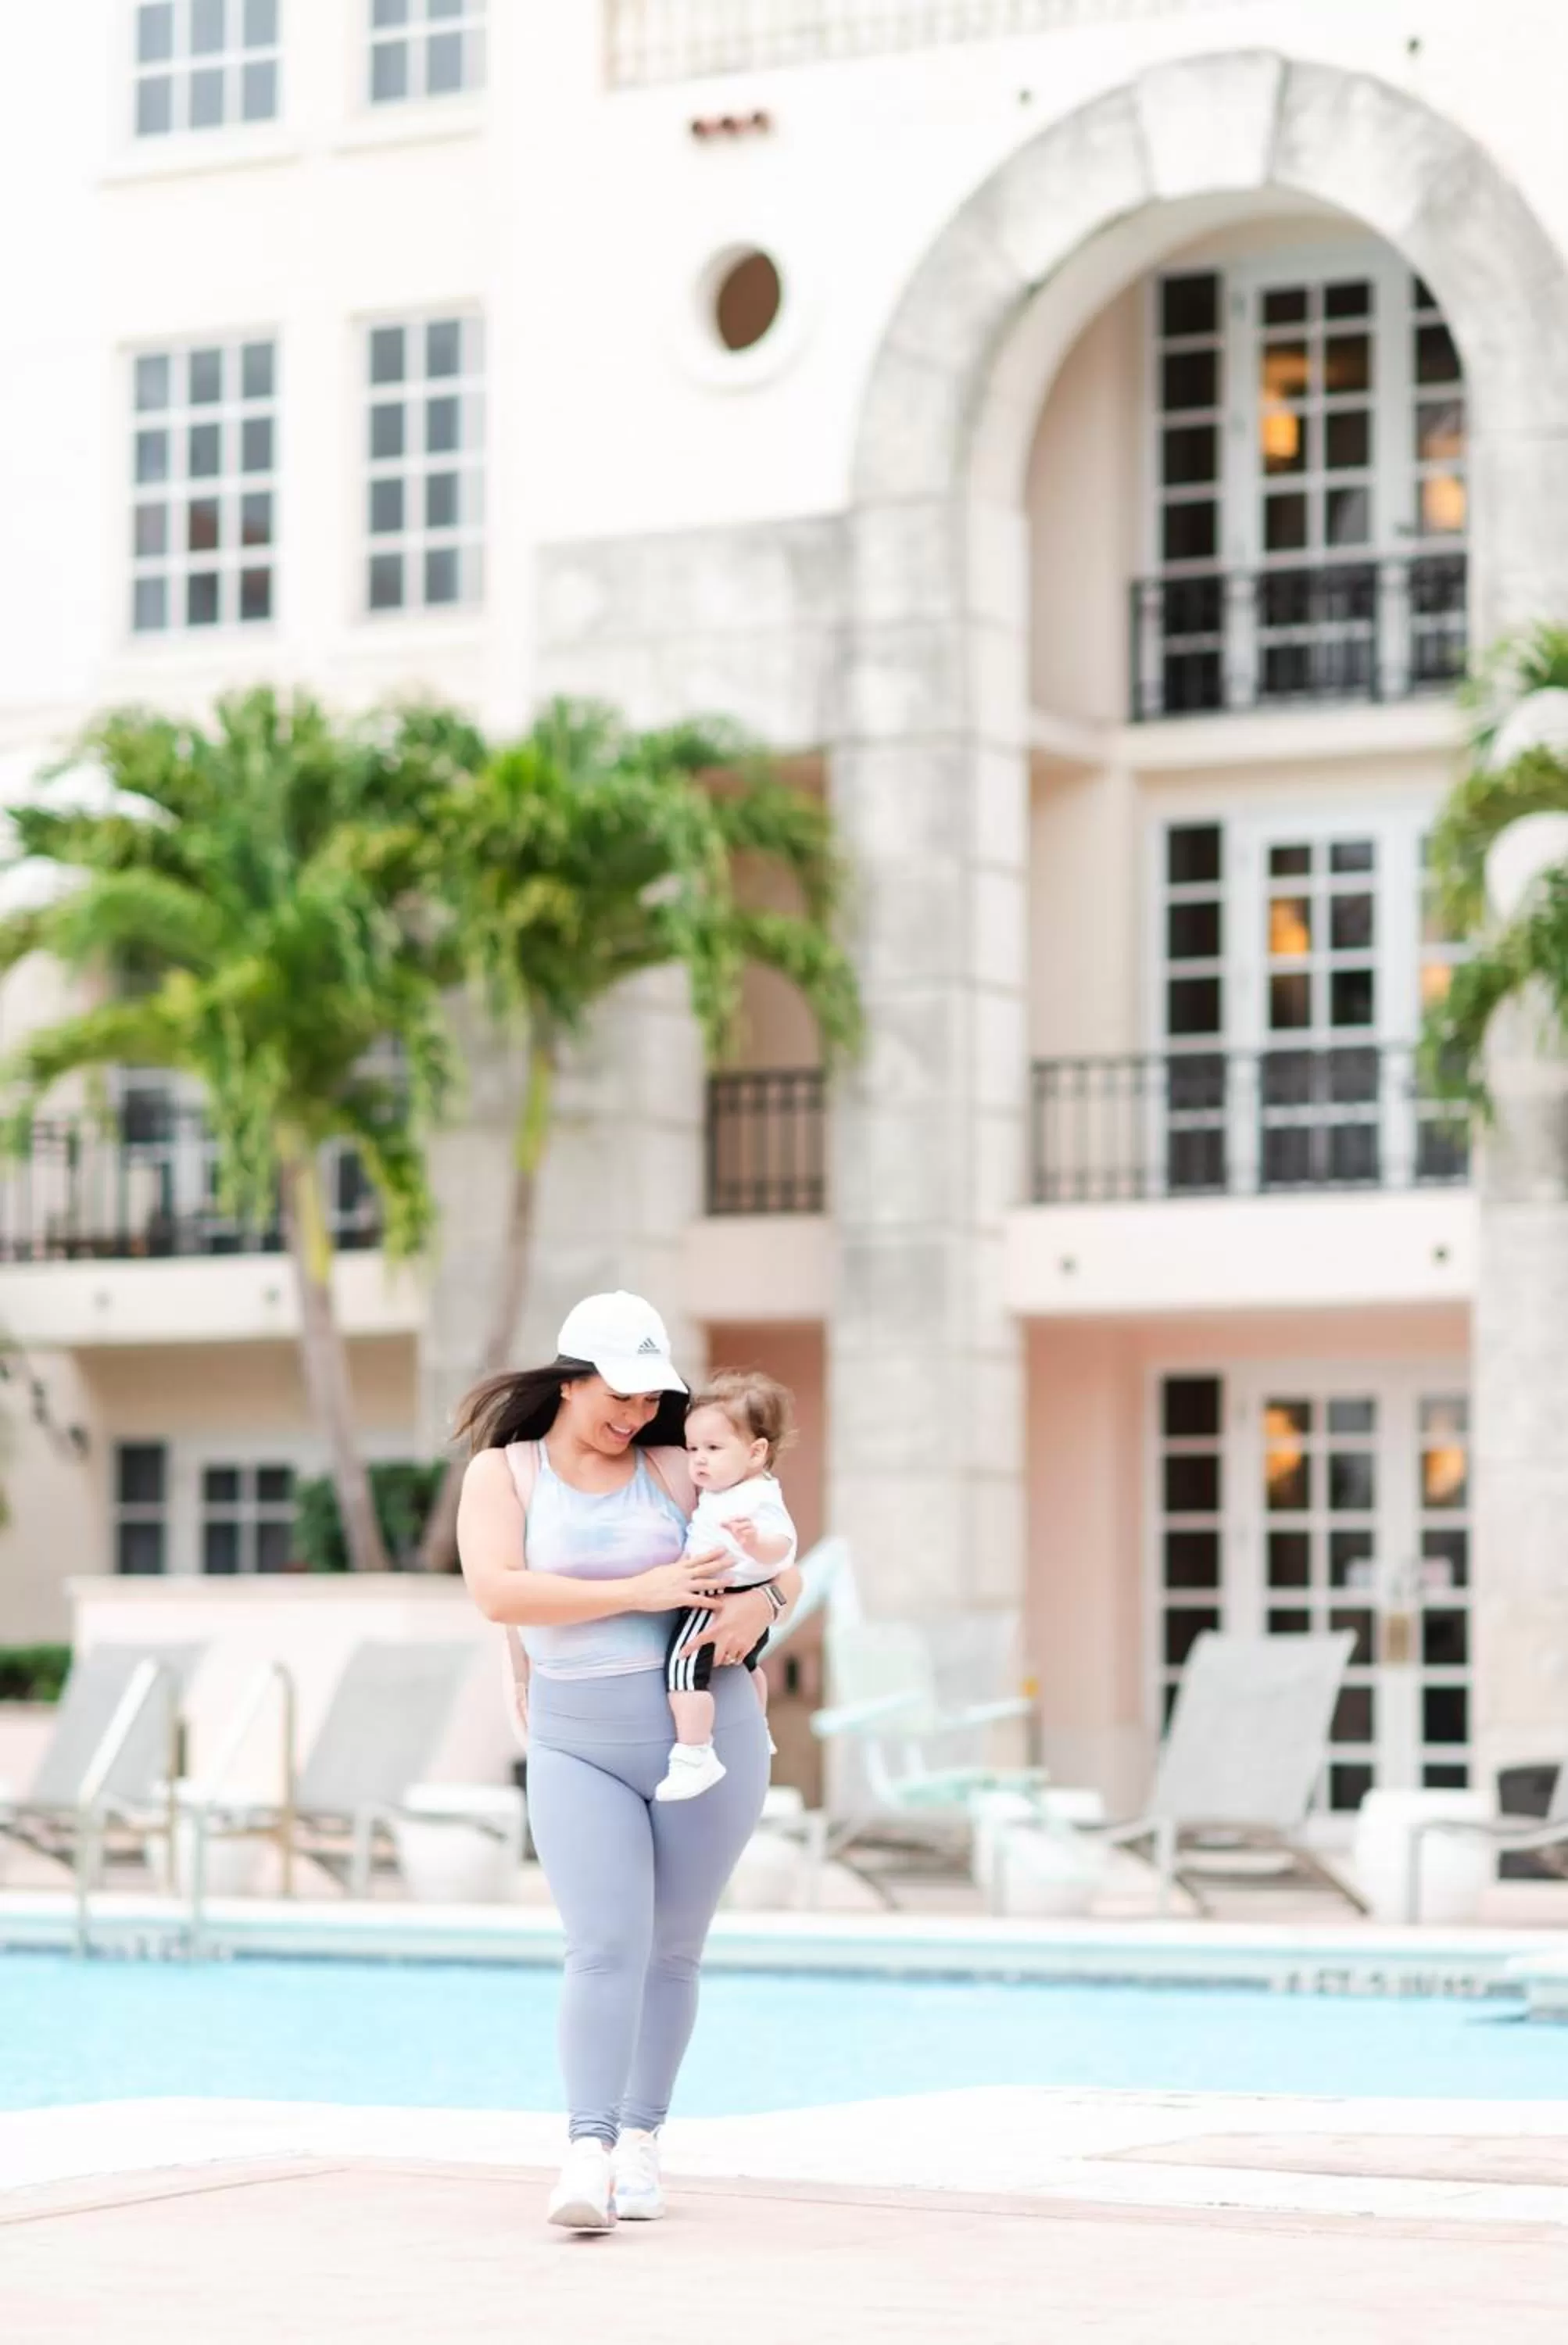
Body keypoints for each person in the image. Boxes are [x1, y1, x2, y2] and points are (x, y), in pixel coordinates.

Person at [455, 1290, 797, 2233]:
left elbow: (780, 1562)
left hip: (706, 1733)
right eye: (622, 1394)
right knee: (603, 1948)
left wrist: (761, 1608)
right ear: (570, 1381)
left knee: (672, 1953)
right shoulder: (506, 1473)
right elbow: (498, 1592)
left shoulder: (675, 1466)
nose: (639, 1416)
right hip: (577, 1741)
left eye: (654, 1399)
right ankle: (586, 2151)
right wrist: (641, 1587)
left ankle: (642, 2142)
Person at [657, 1370, 797, 1804]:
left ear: (756, 1453)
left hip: (715, 1598)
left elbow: (784, 1545)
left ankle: (694, 1753)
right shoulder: (731, 1490)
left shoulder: (755, 1499)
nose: (698, 1460)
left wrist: (756, 1542)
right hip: (735, 1592)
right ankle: (759, 1726)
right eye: (692, 1448)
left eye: (713, 1449)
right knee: (749, 1667)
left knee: (682, 1675)